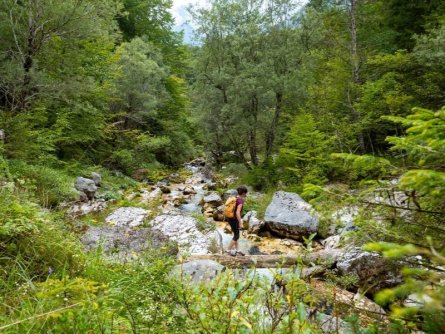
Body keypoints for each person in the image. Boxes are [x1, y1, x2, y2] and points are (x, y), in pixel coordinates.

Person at [226, 186, 248, 256]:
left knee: (236, 235)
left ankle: (238, 251)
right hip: (234, 219)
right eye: (246, 193)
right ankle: (228, 251)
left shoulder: (235, 198)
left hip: (230, 218)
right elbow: (237, 213)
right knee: (237, 236)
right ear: (243, 193)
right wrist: (240, 222)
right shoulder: (240, 201)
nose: (246, 194)